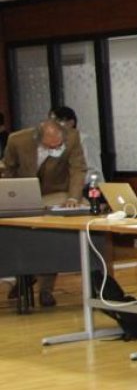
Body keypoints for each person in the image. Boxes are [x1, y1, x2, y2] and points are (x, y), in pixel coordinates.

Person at [1, 120, 87, 306]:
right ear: (38, 139)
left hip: (57, 192)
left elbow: (78, 169)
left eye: (59, 144)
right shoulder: (17, 141)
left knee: (52, 234)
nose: (56, 148)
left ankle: (46, 289)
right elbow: (8, 169)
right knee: (19, 233)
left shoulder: (72, 138)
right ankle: (25, 274)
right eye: (51, 145)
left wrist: (73, 198)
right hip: (26, 193)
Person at [49, 106, 103, 183]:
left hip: (89, 189)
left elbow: (94, 172)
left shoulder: (84, 140)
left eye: (58, 121)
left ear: (71, 123)